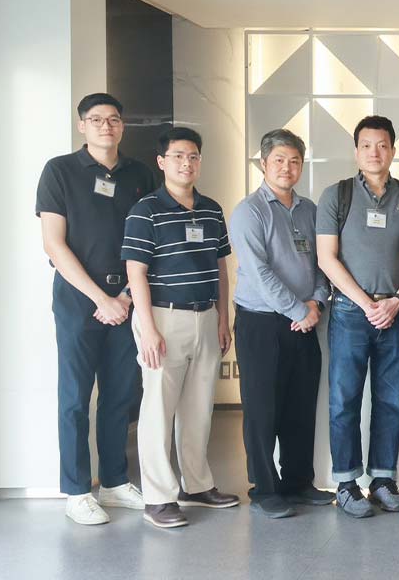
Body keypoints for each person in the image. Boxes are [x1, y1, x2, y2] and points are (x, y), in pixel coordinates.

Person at [37, 93, 151, 525]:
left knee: (120, 395)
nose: (107, 126)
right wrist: (101, 299)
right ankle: (77, 490)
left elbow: (149, 240)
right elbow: (54, 244)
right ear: (81, 125)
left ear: (123, 126)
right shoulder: (60, 171)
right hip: (77, 299)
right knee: (75, 398)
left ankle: (116, 482)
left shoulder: (140, 173)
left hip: (128, 299)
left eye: (114, 119)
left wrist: (125, 297)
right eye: (97, 119)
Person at [122, 127, 239, 528]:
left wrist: (223, 318)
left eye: (192, 156)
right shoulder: (145, 210)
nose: (186, 163)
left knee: (199, 407)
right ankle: (158, 498)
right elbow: (135, 272)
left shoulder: (211, 209)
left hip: (205, 316)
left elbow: (220, 267)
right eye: (177, 156)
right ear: (162, 162)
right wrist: (149, 328)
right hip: (163, 317)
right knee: (158, 408)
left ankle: (197, 484)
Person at [316, 116, 399, 518]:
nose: (374, 153)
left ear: (393, 150)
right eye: (366, 145)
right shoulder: (337, 195)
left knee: (391, 401)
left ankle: (382, 480)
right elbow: (326, 258)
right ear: (356, 151)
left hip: (397, 312)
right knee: (344, 400)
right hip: (350, 312)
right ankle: (346, 484)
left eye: (382, 145)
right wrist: (366, 304)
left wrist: (395, 301)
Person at [231, 129, 335, 519]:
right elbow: (258, 272)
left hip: (306, 320)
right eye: (279, 160)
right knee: (262, 409)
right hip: (262, 323)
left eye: (294, 161)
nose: (287, 168)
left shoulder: (310, 210)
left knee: (299, 406)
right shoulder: (249, 211)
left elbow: (324, 262)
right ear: (263, 163)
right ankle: (264, 488)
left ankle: (298, 482)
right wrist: (298, 310)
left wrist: (316, 302)